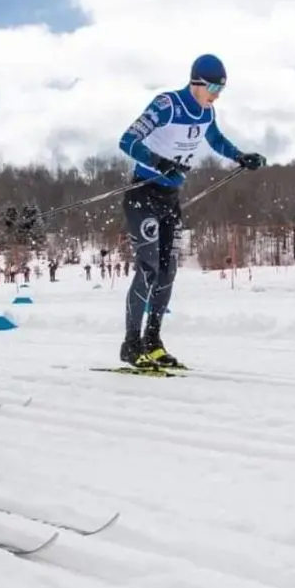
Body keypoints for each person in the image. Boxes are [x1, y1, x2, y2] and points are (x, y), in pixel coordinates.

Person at [116, 53, 267, 370]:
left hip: (170, 199)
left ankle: (153, 342)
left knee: (167, 272)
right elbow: (127, 140)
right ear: (196, 82)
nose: (216, 94)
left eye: (221, 89)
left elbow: (215, 139)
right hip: (142, 193)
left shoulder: (207, 113)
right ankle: (131, 345)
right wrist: (157, 161)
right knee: (148, 270)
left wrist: (241, 156)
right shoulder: (167, 104)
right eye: (212, 87)